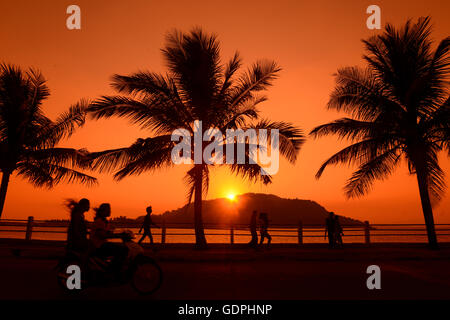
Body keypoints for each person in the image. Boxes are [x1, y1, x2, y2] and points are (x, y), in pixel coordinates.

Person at [89, 203, 128, 276]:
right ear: (103, 211)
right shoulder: (99, 221)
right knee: (122, 249)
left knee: (121, 248)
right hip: (98, 246)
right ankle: (113, 270)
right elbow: (102, 235)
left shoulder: (104, 221)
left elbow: (108, 232)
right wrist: (117, 236)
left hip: (102, 244)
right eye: (108, 210)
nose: (110, 211)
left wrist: (119, 233)